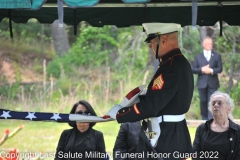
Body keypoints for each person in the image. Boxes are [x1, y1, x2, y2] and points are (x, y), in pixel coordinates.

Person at [107, 23, 194, 160]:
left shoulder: (170, 67)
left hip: (166, 137)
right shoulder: (178, 63)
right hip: (172, 133)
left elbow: (151, 107)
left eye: (152, 41)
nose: (150, 46)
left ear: (163, 40)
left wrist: (120, 114)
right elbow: (165, 99)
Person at [192, 91, 240, 160]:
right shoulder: (202, 128)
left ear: (228, 109)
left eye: (220, 103)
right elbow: (196, 154)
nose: (216, 105)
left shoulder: (237, 131)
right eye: (213, 103)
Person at [192, 37, 223, 120]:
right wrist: (202, 69)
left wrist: (211, 70)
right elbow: (193, 69)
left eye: (211, 44)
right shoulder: (198, 57)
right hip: (202, 84)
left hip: (213, 83)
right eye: (208, 44)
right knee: (203, 101)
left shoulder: (217, 56)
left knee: (212, 102)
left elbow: (220, 69)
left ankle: (211, 119)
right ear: (203, 45)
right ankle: (204, 119)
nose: (210, 45)